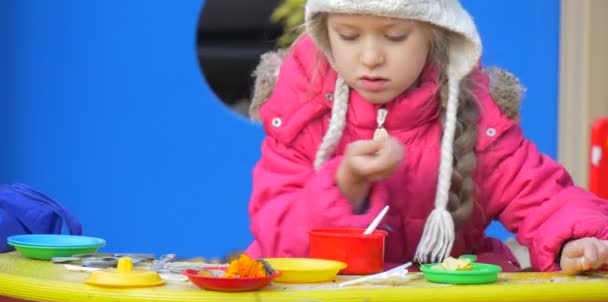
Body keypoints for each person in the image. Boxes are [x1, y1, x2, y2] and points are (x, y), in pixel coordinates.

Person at [244, 0, 608, 274]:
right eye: (349, 36)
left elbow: (543, 196)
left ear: (436, 35)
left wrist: (576, 240)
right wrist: (345, 187)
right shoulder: (302, 113)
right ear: (325, 35)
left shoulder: (476, 116)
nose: (370, 57)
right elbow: (280, 241)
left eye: (395, 36)